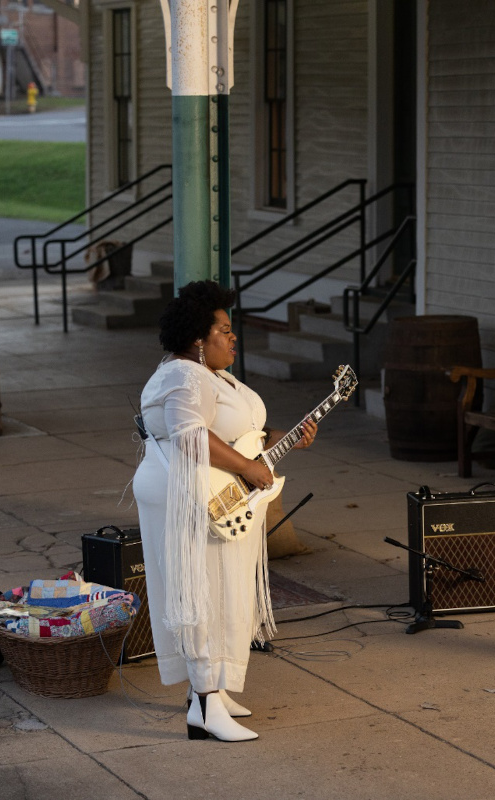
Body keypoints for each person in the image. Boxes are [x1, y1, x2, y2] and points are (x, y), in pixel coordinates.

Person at [133, 280, 317, 741]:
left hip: (217, 495)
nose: (233, 337)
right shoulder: (185, 374)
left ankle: (213, 689)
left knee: (224, 591)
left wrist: (276, 439)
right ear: (199, 337)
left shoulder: (210, 374)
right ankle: (205, 704)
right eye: (224, 329)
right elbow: (190, 435)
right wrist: (250, 471)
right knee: (199, 591)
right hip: (191, 496)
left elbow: (236, 430)